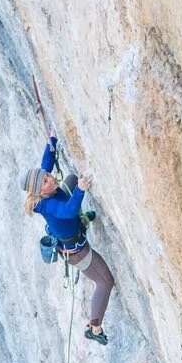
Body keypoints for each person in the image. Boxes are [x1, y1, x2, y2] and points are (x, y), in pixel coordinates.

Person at [23, 136, 115, 344]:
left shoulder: (45, 189)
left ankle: (83, 220)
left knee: (71, 179)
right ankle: (95, 327)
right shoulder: (48, 206)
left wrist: (51, 142)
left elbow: (45, 164)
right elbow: (67, 210)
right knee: (105, 282)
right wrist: (81, 190)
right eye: (46, 181)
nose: (51, 179)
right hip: (77, 252)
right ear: (40, 192)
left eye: (47, 176)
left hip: (71, 232)